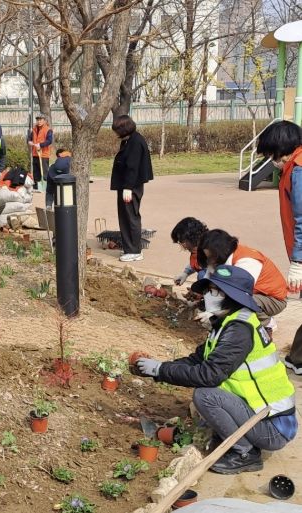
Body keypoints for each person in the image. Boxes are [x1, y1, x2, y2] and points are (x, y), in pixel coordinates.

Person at [136, 265, 297, 475]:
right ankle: (226, 440)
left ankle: (245, 454)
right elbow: (197, 360)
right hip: (262, 416)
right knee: (209, 398)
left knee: (205, 395)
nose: (208, 296)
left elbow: (209, 375)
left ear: (232, 296)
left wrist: (160, 370)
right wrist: (158, 369)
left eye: (215, 291)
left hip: (273, 426)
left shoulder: (239, 330)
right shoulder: (228, 323)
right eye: (209, 290)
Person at [256, 120, 302, 374]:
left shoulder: (298, 170)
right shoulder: (294, 167)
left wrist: (298, 261)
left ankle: (298, 359)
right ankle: (297, 359)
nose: (271, 160)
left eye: (271, 154)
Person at [197, 229, 287, 336]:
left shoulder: (247, 261)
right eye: (208, 257)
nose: (210, 261)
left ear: (220, 251)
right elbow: (209, 281)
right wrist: (204, 300)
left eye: (212, 257)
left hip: (274, 300)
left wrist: (213, 314)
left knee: (242, 301)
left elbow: (240, 295)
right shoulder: (220, 258)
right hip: (254, 294)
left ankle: (267, 323)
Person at [110, 115, 153, 262]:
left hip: (130, 186)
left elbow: (133, 167)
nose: (116, 133)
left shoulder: (135, 142)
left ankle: (134, 250)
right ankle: (129, 247)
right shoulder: (129, 139)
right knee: (125, 217)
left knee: (130, 217)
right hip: (126, 185)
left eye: (117, 130)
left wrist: (128, 187)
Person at [171, 217, 209, 285]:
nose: (183, 245)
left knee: (202, 275)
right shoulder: (198, 250)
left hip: (224, 284)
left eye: (181, 241)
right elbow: (197, 263)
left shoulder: (211, 250)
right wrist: (185, 273)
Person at [27, 113, 54, 190]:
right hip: (35, 153)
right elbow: (29, 139)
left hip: (44, 154)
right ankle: (36, 187)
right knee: (36, 172)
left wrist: (40, 145)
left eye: (40, 120)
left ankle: (45, 187)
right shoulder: (34, 129)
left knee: (44, 172)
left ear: (44, 121)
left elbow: (49, 141)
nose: (39, 121)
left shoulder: (48, 130)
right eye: (37, 120)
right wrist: (29, 142)